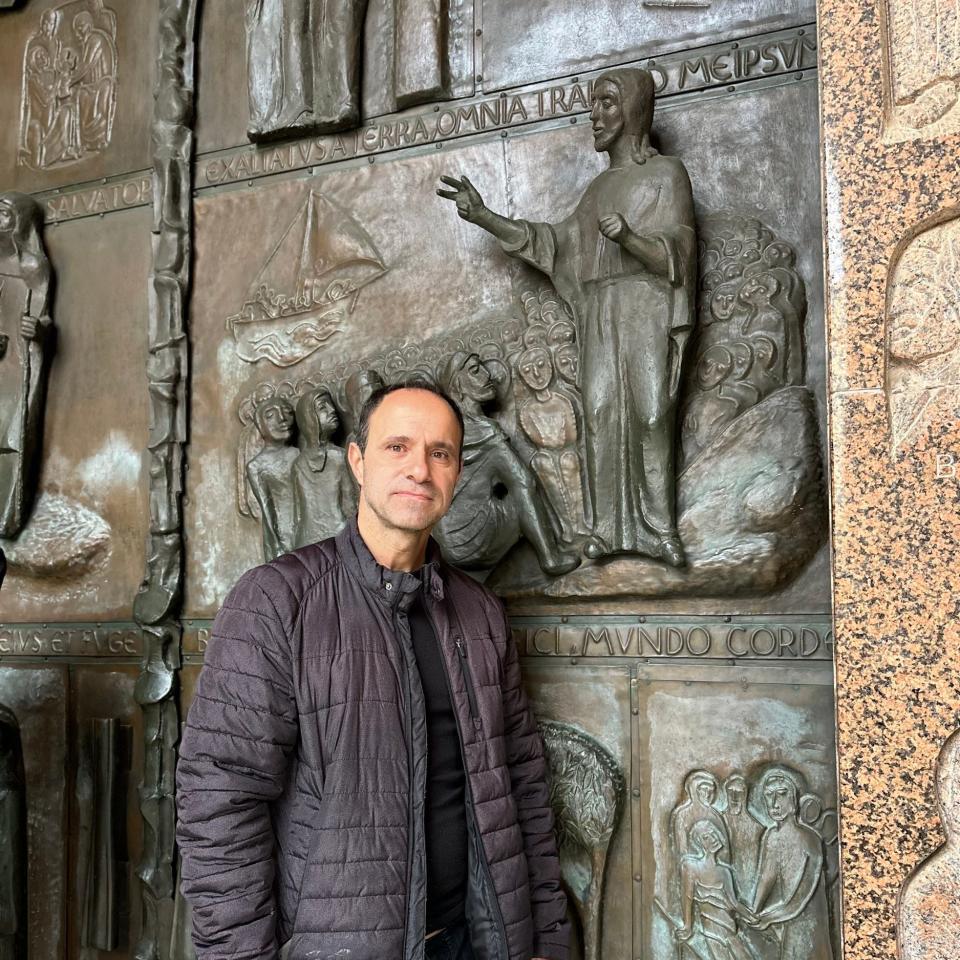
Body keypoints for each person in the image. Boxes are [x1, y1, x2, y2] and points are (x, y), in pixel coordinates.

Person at [176, 382, 569, 960]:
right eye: (397, 447)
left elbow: (524, 788)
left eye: (440, 453)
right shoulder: (277, 601)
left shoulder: (481, 614)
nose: (420, 469)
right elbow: (219, 799)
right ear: (357, 461)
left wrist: (547, 942)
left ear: (457, 473)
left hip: (474, 941)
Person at [438, 67, 696, 567]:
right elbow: (552, 244)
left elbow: (679, 252)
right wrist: (485, 215)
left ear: (635, 109)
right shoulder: (598, 189)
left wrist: (630, 240)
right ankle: (605, 531)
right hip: (600, 310)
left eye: (607, 102)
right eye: (593, 103)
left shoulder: (666, 176)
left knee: (650, 413)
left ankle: (660, 530)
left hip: (646, 307)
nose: (594, 114)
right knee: (599, 410)